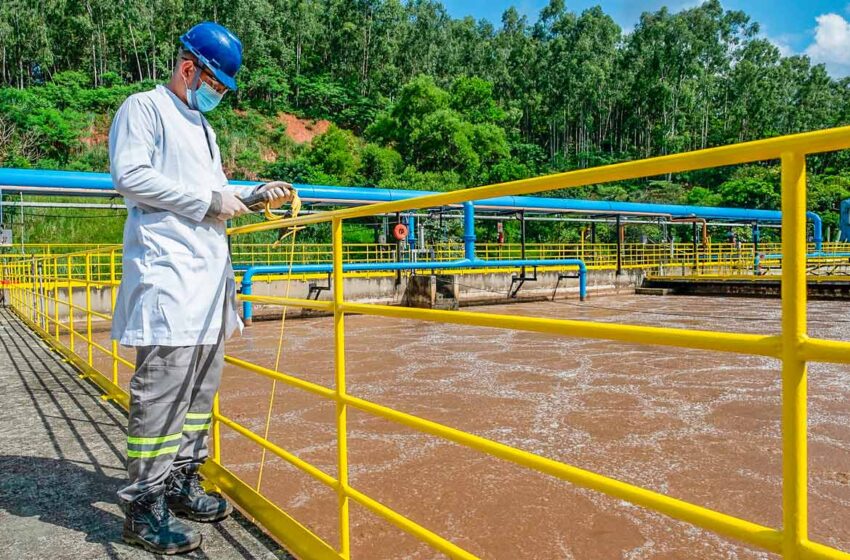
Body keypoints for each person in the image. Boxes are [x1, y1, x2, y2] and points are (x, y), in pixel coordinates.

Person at [108, 22, 292, 554]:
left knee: (197, 399)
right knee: (161, 399)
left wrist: (251, 195)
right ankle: (143, 506)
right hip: (169, 279)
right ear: (190, 68)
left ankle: (183, 480)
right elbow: (131, 176)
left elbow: (212, 191)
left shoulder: (202, 128)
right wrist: (210, 203)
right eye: (216, 84)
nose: (218, 96)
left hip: (209, 287)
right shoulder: (144, 108)